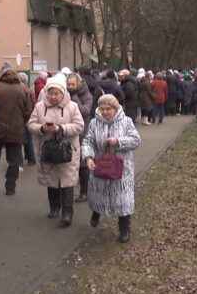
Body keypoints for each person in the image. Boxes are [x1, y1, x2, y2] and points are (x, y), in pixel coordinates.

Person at [81, 94, 141, 243]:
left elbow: (136, 140)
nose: (105, 112)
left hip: (122, 168)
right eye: (102, 109)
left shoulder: (126, 121)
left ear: (115, 108)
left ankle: (124, 228)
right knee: (99, 193)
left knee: (123, 198)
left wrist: (119, 141)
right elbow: (88, 141)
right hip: (100, 164)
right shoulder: (95, 123)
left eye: (108, 109)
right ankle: (97, 212)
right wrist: (88, 157)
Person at [27, 76, 84, 226]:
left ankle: (67, 212)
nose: (53, 96)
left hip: (68, 150)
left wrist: (61, 129)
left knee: (67, 180)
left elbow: (79, 126)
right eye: (50, 93)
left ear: (63, 93)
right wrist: (42, 128)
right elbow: (30, 124)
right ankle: (54, 207)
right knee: (50, 179)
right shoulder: (39, 107)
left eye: (56, 93)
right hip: (47, 149)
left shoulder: (72, 106)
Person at [0, 69, 33, 195]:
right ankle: (10, 186)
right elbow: (28, 111)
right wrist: (21, 122)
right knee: (14, 160)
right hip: (16, 129)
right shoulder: (23, 89)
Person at [66, 73, 93, 204]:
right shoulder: (64, 93)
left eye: (73, 84)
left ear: (78, 84)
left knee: (83, 165)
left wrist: (75, 98)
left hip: (82, 132)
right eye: (69, 84)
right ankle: (67, 191)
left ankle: (84, 192)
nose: (70, 87)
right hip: (68, 132)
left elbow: (85, 112)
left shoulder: (86, 95)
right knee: (69, 163)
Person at [17, 72, 37, 167]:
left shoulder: (18, 90)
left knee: (19, 142)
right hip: (29, 118)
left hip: (20, 118)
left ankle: (19, 162)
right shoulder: (30, 90)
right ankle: (31, 159)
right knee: (29, 140)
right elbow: (33, 104)